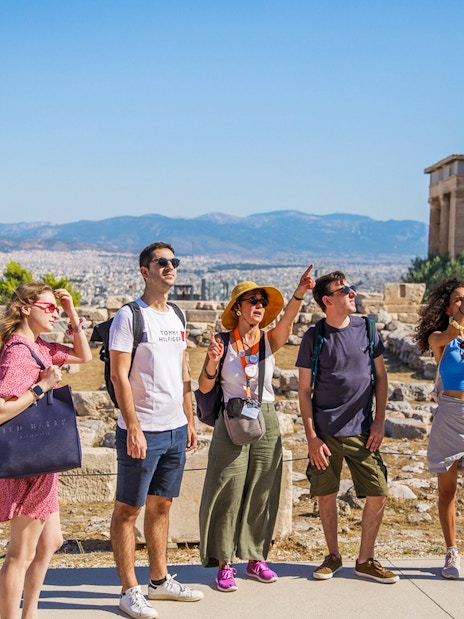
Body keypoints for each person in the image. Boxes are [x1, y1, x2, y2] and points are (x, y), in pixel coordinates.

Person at [198, 266, 315, 592]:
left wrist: (300, 291)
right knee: (228, 487)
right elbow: (204, 388)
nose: (259, 305)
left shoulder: (267, 340)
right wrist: (210, 362)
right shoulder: (223, 342)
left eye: (262, 300)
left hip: (265, 414)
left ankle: (254, 556)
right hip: (231, 417)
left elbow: (287, 322)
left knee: (264, 487)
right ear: (238, 308)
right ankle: (224, 562)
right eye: (252, 300)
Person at [109, 242, 203, 619]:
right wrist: (132, 425)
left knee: (162, 506)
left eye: (173, 262)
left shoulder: (177, 314)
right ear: (144, 271)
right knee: (127, 510)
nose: (170, 267)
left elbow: (182, 372)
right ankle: (129, 590)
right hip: (142, 429)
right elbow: (119, 374)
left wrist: (190, 419)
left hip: (175, 428)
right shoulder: (130, 317)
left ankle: (159, 581)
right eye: (161, 262)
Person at [296, 271, 399, 584]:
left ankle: (365, 559)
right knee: (326, 494)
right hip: (325, 434)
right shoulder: (314, 337)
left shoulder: (366, 328)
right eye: (346, 290)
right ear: (328, 300)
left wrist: (380, 420)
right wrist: (312, 438)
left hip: (362, 431)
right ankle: (333, 555)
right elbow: (303, 391)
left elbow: (381, 377)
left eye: (352, 288)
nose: (353, 293)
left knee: (378, 492)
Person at [0, 282, 92, 619]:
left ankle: (31, 612)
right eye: (49, 307)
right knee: (19, 555)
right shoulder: (18, 353)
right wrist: (42, 386)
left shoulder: (37, 346)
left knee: (50, 540)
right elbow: (0, 409)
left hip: (41, 461)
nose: (53, 313)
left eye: (56, 309)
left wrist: (72, 313)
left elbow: (84, 355)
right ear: (26, 308)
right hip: (29, 464)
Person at [415, 276, 464, 579]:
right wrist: (457, 321)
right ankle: (451, 552)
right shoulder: (441, 338)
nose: (463, 302)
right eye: (458, 299)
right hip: (451, 413)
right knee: (447, 490)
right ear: (448, 308)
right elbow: (440, 338)